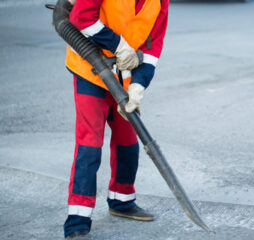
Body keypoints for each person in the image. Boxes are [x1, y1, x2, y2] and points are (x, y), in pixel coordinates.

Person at [62, 0, 169, 239]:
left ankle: (122, 201)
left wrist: (139, 85)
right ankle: (77, 220)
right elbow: (81, 16)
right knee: (90, 145)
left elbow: (153, 45)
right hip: (89, 69)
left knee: (128, 142)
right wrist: (119, 46)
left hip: (124, 75)